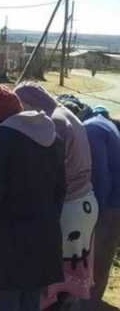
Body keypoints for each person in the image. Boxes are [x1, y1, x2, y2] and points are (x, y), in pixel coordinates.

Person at [0, 85, 65, 311]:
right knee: (31, 301)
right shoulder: (52, 139)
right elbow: (61, 190)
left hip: (8, 241)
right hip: (44, 237)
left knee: (6, 302)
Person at [14, 82, 97, 309]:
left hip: (69, 205)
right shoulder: (67, 114)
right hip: (86, 202)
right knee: (74, 261)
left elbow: (50, 172)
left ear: (31, 103)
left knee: (54, 266)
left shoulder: (54, 123)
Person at [80, 109, 120, 309]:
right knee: (103, 258)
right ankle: (94, 301)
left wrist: (98, 211)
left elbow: (101, 175)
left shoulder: (90, 130)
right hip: (115, 203)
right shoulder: (106, 125)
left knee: (98, 257)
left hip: (109, 205)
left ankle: (88, 304)